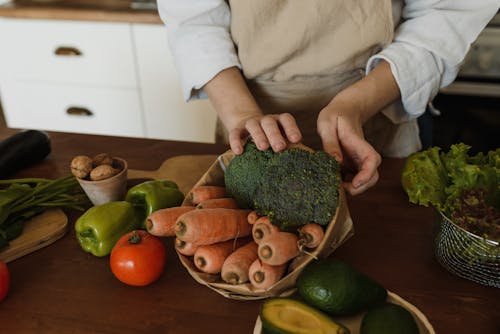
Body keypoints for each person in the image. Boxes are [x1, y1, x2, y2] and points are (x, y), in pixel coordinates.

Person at [157, 0, 499, 195]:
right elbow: (193, 20)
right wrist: (242, 113)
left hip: (377, 107)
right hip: (246, 107)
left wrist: (356, 104)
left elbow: (445, 15)